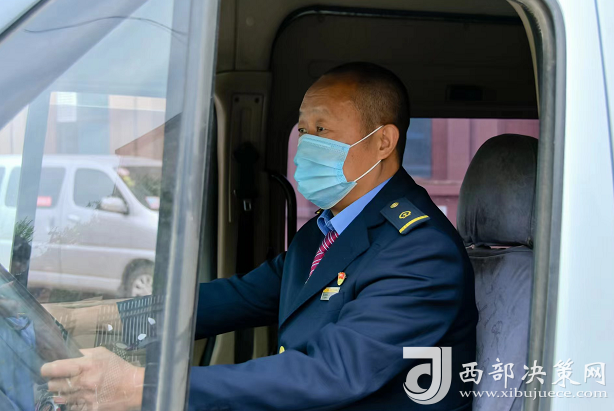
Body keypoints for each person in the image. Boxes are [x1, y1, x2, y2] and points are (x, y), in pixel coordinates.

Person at [41, 62, 478, 410]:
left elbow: (333, 372)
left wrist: (141, 386)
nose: (305, 143)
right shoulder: (328, 228)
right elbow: (239, 298)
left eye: (322, 129)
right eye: (302, 129)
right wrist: (92, 318)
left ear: (383, 142)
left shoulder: (420, 250)